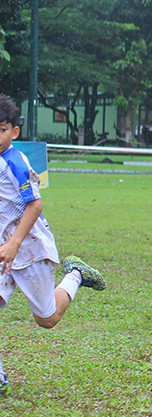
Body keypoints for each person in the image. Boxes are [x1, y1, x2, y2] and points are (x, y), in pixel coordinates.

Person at [0, 93, 106, 395]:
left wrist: (14, 244)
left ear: (15, 132)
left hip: (30, 247)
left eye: (3, 129)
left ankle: (76, 275)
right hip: (3, 249)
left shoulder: (15, 164)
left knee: (47, 319)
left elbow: (35, 206)